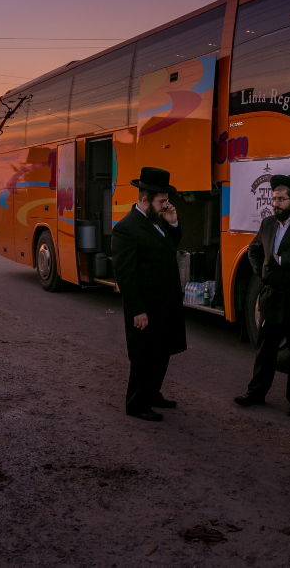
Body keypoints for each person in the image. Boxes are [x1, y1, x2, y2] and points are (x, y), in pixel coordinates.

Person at [234, 175, 290, 417]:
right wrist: (262, 274)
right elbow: (254, 249)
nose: (276, 203)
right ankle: (256, 394)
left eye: (281, 199)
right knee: (265, 350)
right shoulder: (268, 224)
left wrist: (282, 260)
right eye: (274, 199)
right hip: (272, 296)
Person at [111, 167, 185, 422]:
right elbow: (126, 275)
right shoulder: (126, 228)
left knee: (162, 351)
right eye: (162, 201)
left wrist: (173, 221)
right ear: (144, 198)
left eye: (166, 200)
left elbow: (170, 246)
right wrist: (137, 310)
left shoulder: (158, 220)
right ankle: (136, 404)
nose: (166, 205)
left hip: (165, 302)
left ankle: (152, 394)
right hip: (146, 305)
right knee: (144, 356)